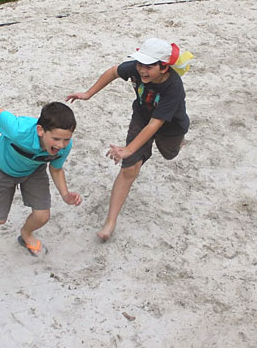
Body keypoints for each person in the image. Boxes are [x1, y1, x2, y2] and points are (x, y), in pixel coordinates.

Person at [66, 38, 189, 241]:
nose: (142, 70)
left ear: (164, 67)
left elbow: (155, 125)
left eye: (149, 66)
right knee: (129, 169)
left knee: (169, 154)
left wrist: (129, 149)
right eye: (140, 64)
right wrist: (89, 93)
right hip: (142, 118)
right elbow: (114, 71)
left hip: (170, 127)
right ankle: (110, 222)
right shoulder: (135, 68)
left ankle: (179, 143)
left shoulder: (173, 86)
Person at [0, 102, 82, 256]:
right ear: (40, 130)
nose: (61, 145)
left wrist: (65, 194)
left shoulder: (64, 147)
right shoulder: (19, 130)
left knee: (42, 216)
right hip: (2, 168)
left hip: (33, 170)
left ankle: (26, 234)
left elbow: (56, 169)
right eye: (56, 139)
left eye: (66, 140)